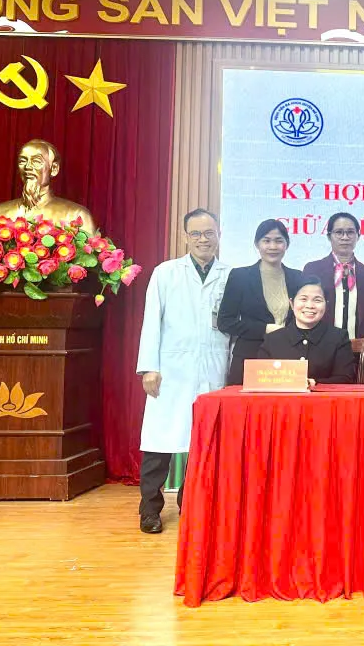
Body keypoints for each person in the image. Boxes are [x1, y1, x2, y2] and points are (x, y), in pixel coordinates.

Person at [134, 208, 231, 534]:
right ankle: (150, 510)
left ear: (219, 235)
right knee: (159, 442)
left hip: (213, 369)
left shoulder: (230, 275)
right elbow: (151, 321)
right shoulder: (165, 273)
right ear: (185, 236)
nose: (204, 239)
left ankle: (191, 505)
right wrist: (149, 367)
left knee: (202, 443)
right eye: (197, 234)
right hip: (171, 371)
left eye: (209, 233)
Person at [217, 219, 305, 385]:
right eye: (266, 240)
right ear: (257, 244)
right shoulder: (240, 276)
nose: (273, 246)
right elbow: (225, 322)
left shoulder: (298, 277)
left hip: (289, 359)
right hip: (250, 358)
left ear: (287, 244)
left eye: (279, 241)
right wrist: (265, 329)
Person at [257, 277, 357, 386]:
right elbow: (260, 379)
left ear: (326, 304)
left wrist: (314, 383)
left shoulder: (339, 338)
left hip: (325, 397)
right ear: (291, 303)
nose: (310, 306)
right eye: (303, 299)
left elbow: (345, 378)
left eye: (317, 300)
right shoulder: (272, 339)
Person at [0, 139, 97, 234]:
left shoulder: (76, 215)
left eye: (36, 161)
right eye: (23, 161)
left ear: (54, 169)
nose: (28, 167)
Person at [301, 212, 364, 340]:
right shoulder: (313, 270)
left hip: (357, 348)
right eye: (339, 232)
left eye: (350, 232)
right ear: (329, 236)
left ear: (358, 236)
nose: (345, 237)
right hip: (319, 345)